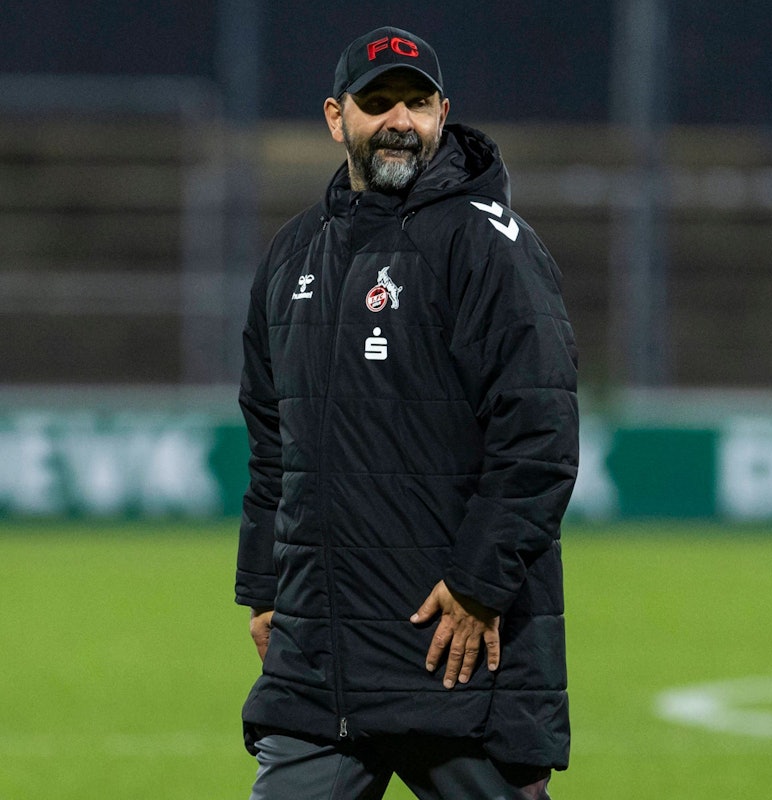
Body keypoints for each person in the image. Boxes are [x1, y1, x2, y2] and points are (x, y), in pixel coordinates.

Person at [234, 25, 579, 800]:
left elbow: (540, 436)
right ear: (336, 118)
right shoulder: (292, 255)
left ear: (442, 112)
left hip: (455, 652)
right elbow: (271, 444)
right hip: (321, 668)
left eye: (417, 103)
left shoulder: (491, 247)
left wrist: (478, 586)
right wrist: (263, 588)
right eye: (377, 102)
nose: (399, 120)